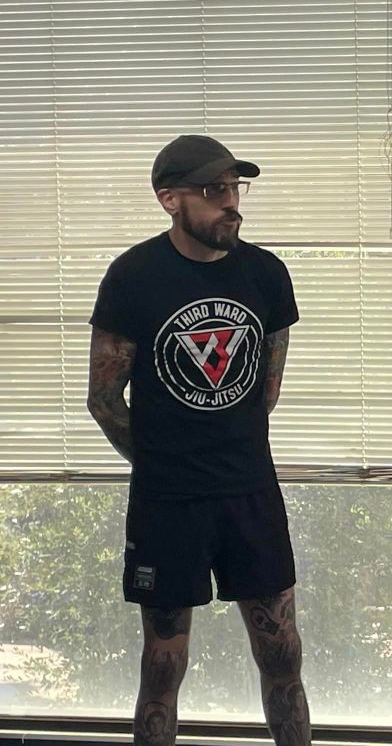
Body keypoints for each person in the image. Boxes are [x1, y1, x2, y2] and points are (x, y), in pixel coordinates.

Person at [87, 135, 309, 746]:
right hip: (168, 500)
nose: (231, 202)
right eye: (214, 190)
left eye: (235, 188)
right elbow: (103, 399)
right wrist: (165, 462)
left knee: (283, 656)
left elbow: (266, 388)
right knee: (162, 667)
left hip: (249, 492)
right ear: (170, 199)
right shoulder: (133, 277)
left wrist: (222, 449)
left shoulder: (266, 275)